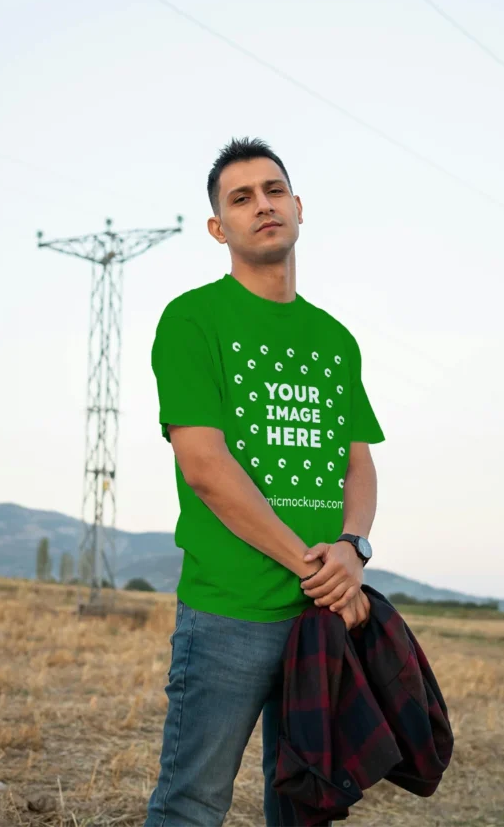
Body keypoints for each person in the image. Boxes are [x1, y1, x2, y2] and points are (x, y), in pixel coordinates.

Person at [144, 137, 385, 827]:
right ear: (219, 228)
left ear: (299, 208)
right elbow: (205, 467)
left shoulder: (333, 339)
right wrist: (319, 569)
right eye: (241, 198)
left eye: (273, 190)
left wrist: (353, 547)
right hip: (229, 614)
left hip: (319, 620)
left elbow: (356, 460)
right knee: (191, 804)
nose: (263, 205)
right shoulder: (192, 319)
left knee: (305, 805)